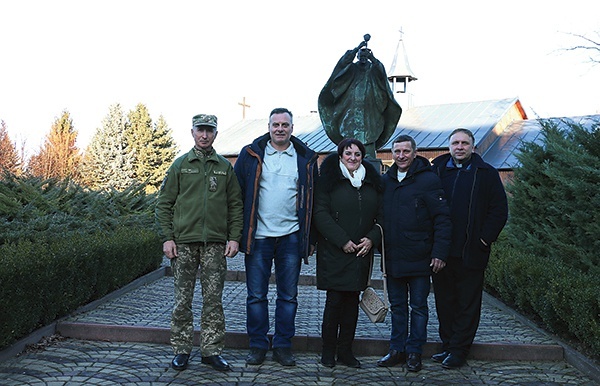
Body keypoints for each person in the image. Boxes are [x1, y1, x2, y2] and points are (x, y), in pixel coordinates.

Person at [155, 114, 243, 372]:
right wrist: (167, 238)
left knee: (213, 301)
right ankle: (181, 350)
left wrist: (234, 237)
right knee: (182, 300)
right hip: (183, 244)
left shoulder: (224, 167)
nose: (205, 135)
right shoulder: (181, 165)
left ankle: (211, 351)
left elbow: (235, 205)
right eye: (200, 130)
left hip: (215, 245)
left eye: (210, 131)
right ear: (192, 132)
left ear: (216, 134)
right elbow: (163, 203)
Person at [234, 107, 319, 367]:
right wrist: (236, 235)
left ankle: (283, 345)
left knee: (288, 296)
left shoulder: (305, 157)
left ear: (292, 128)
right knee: (256, 295)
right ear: (268, 127)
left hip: (291, 237)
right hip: (258, 236)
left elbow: (314, 201)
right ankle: (258, 345)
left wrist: (311, 238)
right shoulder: (250, 155)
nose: (280, 129)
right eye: (275, 124)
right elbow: (236, 195)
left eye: (285, 125)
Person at [430, 128, 508, 369]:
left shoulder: (486, 174)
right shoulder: (438, 171)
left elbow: (499, 210)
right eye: (456, 143)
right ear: (449, 146)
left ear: (472, 147)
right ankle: (447, 345)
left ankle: (459, 350)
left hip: (471, 252)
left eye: (465, 143)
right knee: (444, 302)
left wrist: (484, 240)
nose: (460, 147)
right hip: (442, 252)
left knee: (467, 303)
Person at [377, 135, 451, 372]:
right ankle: (397, 348)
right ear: (392, 153)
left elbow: (442, 218)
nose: (401, 156)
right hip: (394, 257)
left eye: (406, 151)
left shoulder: (428, 180)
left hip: (421, 255)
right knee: (398, 306)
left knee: (418, 307)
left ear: (414, 152)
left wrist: (439, 253)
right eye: (397, 151)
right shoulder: (385, 181)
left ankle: (414, 351)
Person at [313, 138, 383, 368]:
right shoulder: (330, 181)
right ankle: (328, 351)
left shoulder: (372, 182)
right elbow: (320, 213)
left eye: (357, 154)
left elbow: (382, 216)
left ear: (362, 157)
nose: (353, 158)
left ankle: (346, 351)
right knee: (334, 302)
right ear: (340, 156)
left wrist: (372, 238)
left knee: (352, 303)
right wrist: (342, 240)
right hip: (336, 251)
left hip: (361, 252)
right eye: (348, 153)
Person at [318, 34, 402, 159]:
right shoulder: (351, 69)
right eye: (360, 55)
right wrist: (356, 48)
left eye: (365, 56)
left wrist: (373, 59)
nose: (363, 58)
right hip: (350, 115)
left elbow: (382, 74)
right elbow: (342, 63)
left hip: (370, 116)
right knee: (349, 146)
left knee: (369, 152)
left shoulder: (373, 70)